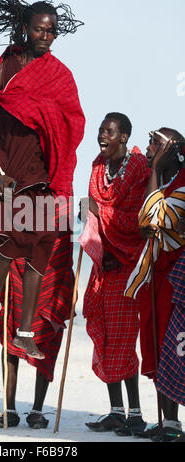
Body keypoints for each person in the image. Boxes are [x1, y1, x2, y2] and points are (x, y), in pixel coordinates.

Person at [0, 0, 85, 428]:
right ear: (24, 28)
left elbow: (72, 123)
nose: (47, 36)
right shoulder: (5, 65)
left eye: (52, 29)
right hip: (5, 176)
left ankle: (27, 333)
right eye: (40, 28)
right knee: (10, 247)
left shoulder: (60, 74)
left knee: (38, 254)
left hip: (43, 179)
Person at [79, 113, 150, 436]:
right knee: (105, 338)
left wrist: (99, 211)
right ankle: (115, 412)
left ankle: (135, 413)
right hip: (103, 264)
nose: (101, 136)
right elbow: (93, 211)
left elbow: (138, 220)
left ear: (123, 136)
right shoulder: (97, 167)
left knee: (123, 341)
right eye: (100, 131)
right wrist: (91, 218)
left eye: (108, 132)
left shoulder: (138, 168)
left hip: (129, 266)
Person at [125, 128, 185, 442]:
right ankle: (167, 422)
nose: (149, 149)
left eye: (156, 145)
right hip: (156, 278)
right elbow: (147, 225)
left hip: (177, 281)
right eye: (150, 144)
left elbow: (149, 221)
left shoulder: (183, 185)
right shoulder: (163, 185)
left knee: (173, 348)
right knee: (158, 348)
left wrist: (153, 170)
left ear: (175, 151)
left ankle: (174, 424)